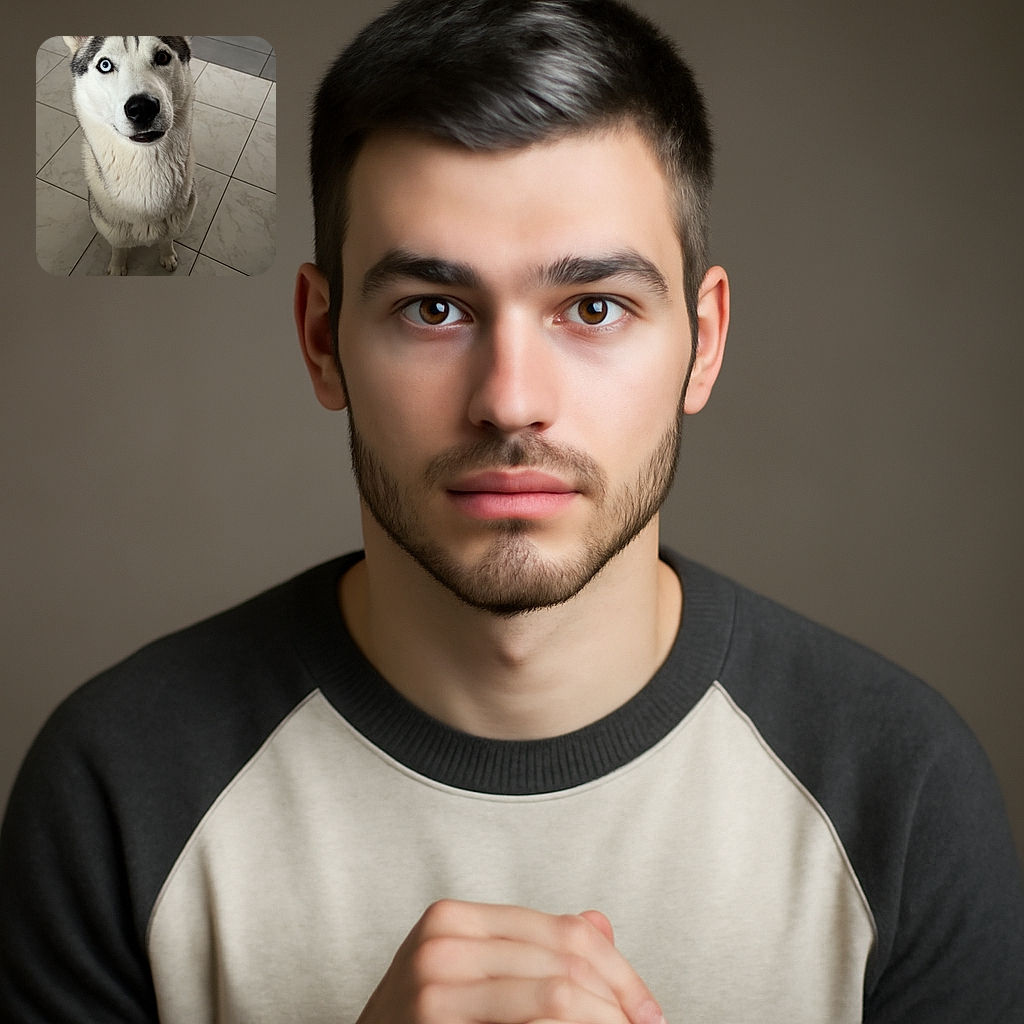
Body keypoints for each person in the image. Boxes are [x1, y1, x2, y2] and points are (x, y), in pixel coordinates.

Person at [3, 0, 1023, 1020]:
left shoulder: (900, 790)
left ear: (702, 342)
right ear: (322, 341)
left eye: (592, 307)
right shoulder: (120, 789)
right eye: (434, 308)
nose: (510, 399)